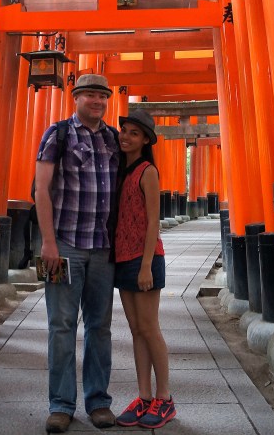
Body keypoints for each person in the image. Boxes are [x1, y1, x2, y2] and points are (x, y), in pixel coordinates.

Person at [34, 73, 120, 434]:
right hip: (65, 244)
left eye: (103, 96)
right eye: (90, 96)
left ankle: (98, 401)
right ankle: (61, 405)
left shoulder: (114, 138)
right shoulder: (58, 134)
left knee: (100, 327)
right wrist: (48, 242)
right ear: (76, 98)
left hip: (102, 248)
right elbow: (41, 188)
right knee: (61, 326)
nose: (97, 102)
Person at [114, 110, 176, 429]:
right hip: (122, 258)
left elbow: (154, 220)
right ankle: (144, 396)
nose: (125, 136)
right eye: (123, 130)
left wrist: (147, 265)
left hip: (144, 259)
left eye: (134, 133)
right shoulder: (118, 170)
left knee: (150, 328)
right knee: (136, 329)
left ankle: (164, 398)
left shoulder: (147, 171)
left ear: (146, 140)